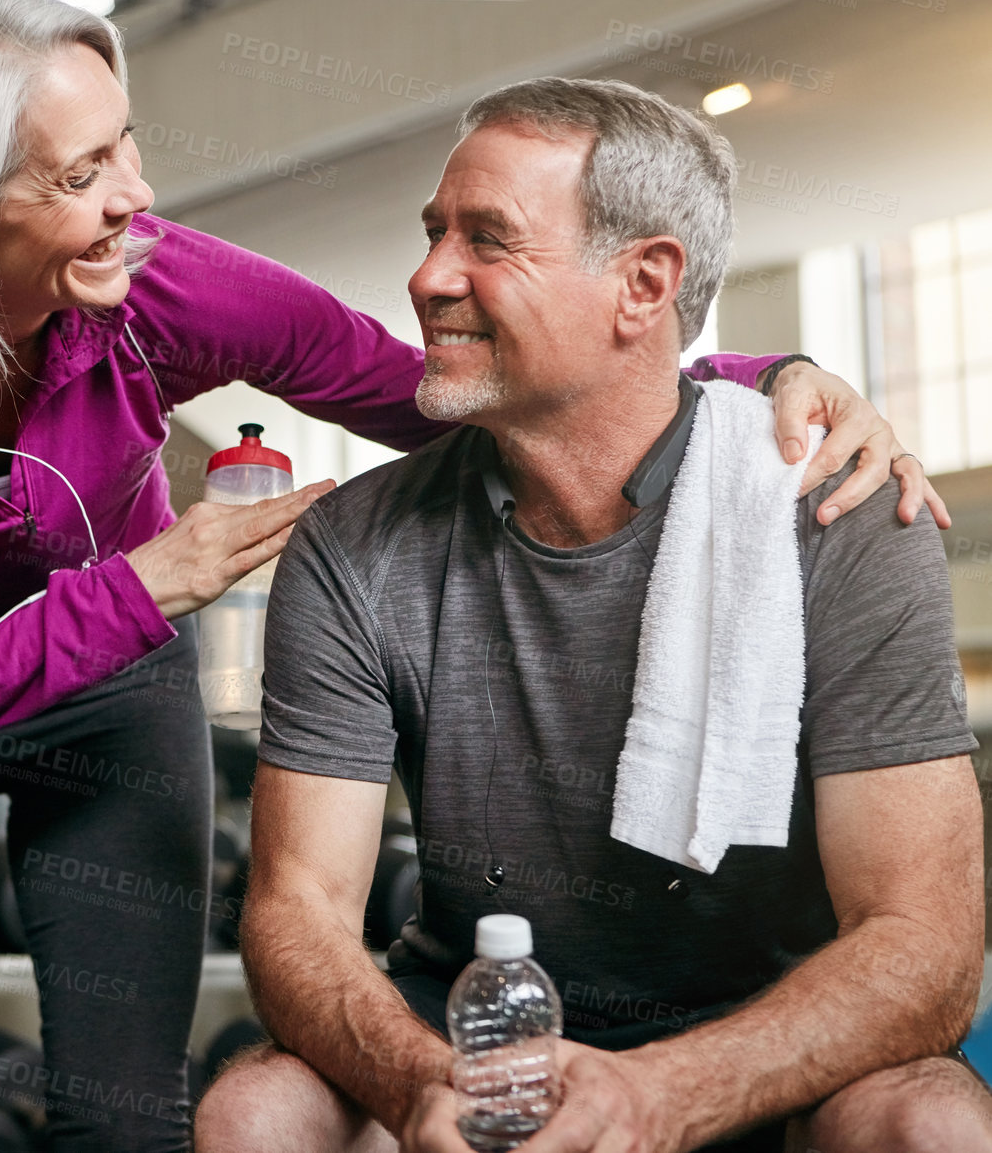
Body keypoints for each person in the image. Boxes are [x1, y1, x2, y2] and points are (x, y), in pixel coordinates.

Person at [0, 1, 938, 1148]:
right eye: (81, 174)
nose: (136, 197)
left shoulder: (155, 282)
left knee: (124, 1115)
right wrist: (150, 584)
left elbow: (435, 391)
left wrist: (759, 386)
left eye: (124, 148)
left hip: (105, 695)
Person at [194, 77, 987, 1153]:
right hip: (471, 1036)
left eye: (487, 239)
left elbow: (926, 938)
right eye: (434, 234)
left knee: (932, 1119)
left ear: (642, 283)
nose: (428, 277)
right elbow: (297, 909)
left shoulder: (842, 514)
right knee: (255, 1105)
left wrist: (661, 1092)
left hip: (766, 1046)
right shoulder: (355, 542)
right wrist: (433, 1084)